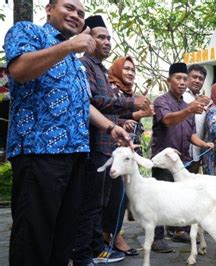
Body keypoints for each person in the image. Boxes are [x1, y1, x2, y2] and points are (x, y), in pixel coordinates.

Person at [3, 1, 130, 265]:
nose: (75, 15)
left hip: (76, 156)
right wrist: (70, 46)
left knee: (64, 237)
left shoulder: (73, 61)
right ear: (49, 8)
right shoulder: (28, 32)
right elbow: (19, 70)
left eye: (80, 14)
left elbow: (82, 103)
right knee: (34, 237)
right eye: (69, 8)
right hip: (39, 153)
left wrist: (110, 126)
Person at [72, 15, 152, 265]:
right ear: (88, 38)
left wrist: (130, 114)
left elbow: (109, 109)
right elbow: (93, 102)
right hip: (94, 144)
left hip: (107, 146)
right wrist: (130, 103)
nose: (106, 42)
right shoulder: (84, 65)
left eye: (109, 38)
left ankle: (97, 247)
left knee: (101, 202)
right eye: (100, 37)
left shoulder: (101, 69)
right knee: (91, 203)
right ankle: (83, 253)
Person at [151, 62, 214, 252]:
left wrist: (204, 144)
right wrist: (189, 110)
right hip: (163, 159)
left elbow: (190, 134)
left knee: (179, 198)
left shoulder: (188, 106)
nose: (182, 82)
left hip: (182, 161)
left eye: (184, 79)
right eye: (178, 78)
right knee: (160, 199)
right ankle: (156, 238)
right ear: (169, 80)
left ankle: (179, 232)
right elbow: (168, 120)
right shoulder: (161, 101)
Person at [101, 56, 153, 257]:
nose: (131, 72)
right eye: (126, 69)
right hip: (114, 150)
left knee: (120, 197)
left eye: (133, 69)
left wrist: (139, 115)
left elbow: (124, 117)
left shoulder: (126, 92)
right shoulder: (111, 90)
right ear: (116, 70)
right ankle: (112, 236)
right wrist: (128, 120)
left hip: (128, 151)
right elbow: (109, 116)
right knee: (114, 197)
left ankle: (112, 234)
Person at [183, 64, 208, 173]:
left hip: (197, 152)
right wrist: (195, 103)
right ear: (187, 77)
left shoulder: (204, 100)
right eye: (194, 77)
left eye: (201, 79)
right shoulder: (180, 96)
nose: (197, 81)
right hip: (182, 152)